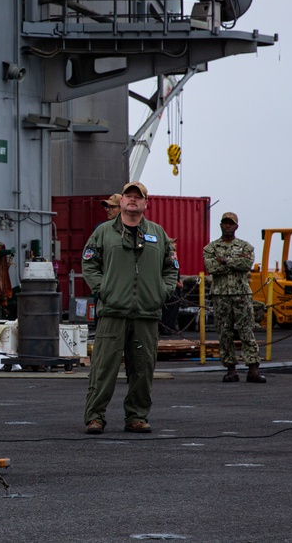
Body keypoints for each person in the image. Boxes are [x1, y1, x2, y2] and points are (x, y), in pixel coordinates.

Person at [81, 181, 178, 434]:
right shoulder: (103, 232)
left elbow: (172, 268)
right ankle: (95, 417)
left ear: (146, 203)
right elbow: (89, 265)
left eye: (138, 197)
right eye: (128, 196)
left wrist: (162, 292)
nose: (132, 200)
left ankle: (136, 416)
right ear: (121, 202)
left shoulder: (158, 234)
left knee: (143, 368)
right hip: (113, 312)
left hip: (146, 313)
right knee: (103, 368)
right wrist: (105, 291)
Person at [203, 212, 266, 383]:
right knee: (224, 332)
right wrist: (233, 263)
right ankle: (231, 370)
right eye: (225, 223)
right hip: (220, 295)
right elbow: (211, 268)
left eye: (231, 223)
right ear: (221, 225)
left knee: (247, 331)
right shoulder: (211, 248)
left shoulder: (246, 247)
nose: (227, 226)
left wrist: (224, 261)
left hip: (241, 295)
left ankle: (253, 369)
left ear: (236, 226)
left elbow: (246, 264)